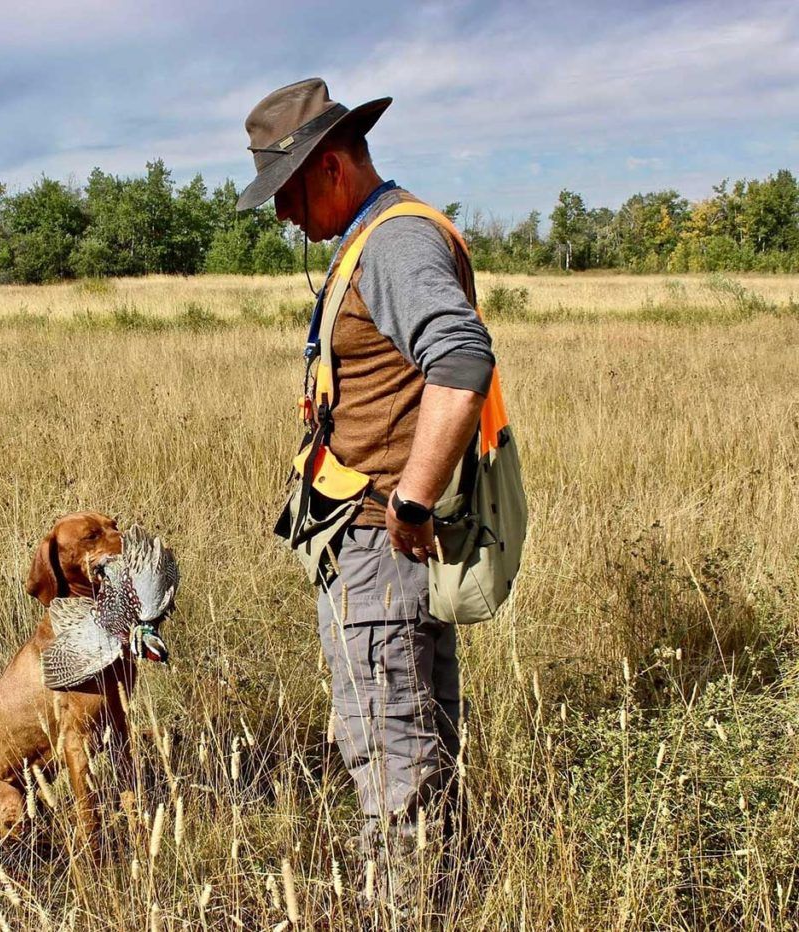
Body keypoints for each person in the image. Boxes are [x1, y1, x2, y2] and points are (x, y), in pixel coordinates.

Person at [237, 79, 495, 871]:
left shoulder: (392, 242)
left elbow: (461, 359)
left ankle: (406, 907)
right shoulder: (372, 236)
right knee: (414, 750)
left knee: (395, 767)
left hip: (385, 551)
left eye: (285, 192)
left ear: (331, 168)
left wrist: (411, 500)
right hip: (372, 547)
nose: (282, 216)